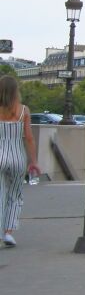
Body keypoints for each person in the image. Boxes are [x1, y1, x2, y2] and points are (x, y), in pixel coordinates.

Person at [0, 75, 39, 246]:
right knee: (15, 194)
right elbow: (29, 138)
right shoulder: (24, 110)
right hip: (17, 156)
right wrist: (34, 161)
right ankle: (8, 232)